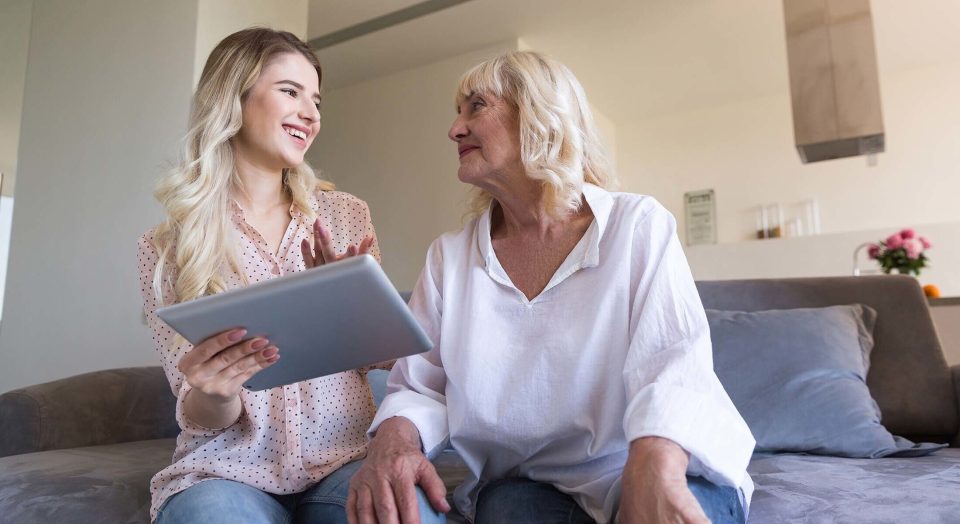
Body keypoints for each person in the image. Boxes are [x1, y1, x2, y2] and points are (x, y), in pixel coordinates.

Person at [347, 51, 756, 524]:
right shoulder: (450, 257)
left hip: (651, 456)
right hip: (531, 482)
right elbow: (420, 386)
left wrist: (654, 464)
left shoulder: (636, 225)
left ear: (539, 115)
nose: (455, 129)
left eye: (476, 106)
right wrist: (392, 444)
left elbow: (672, 362)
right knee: (506, 509)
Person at [136, 27, 441, 524]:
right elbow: (199, 412)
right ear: (234, 98)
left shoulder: (345, 215)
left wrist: (359, 311)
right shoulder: (169, 245)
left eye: (316, 99)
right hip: (226, 471)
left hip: (345, 460)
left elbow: (389, 357)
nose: (311, 114)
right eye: (290, 92)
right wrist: (217, 392)